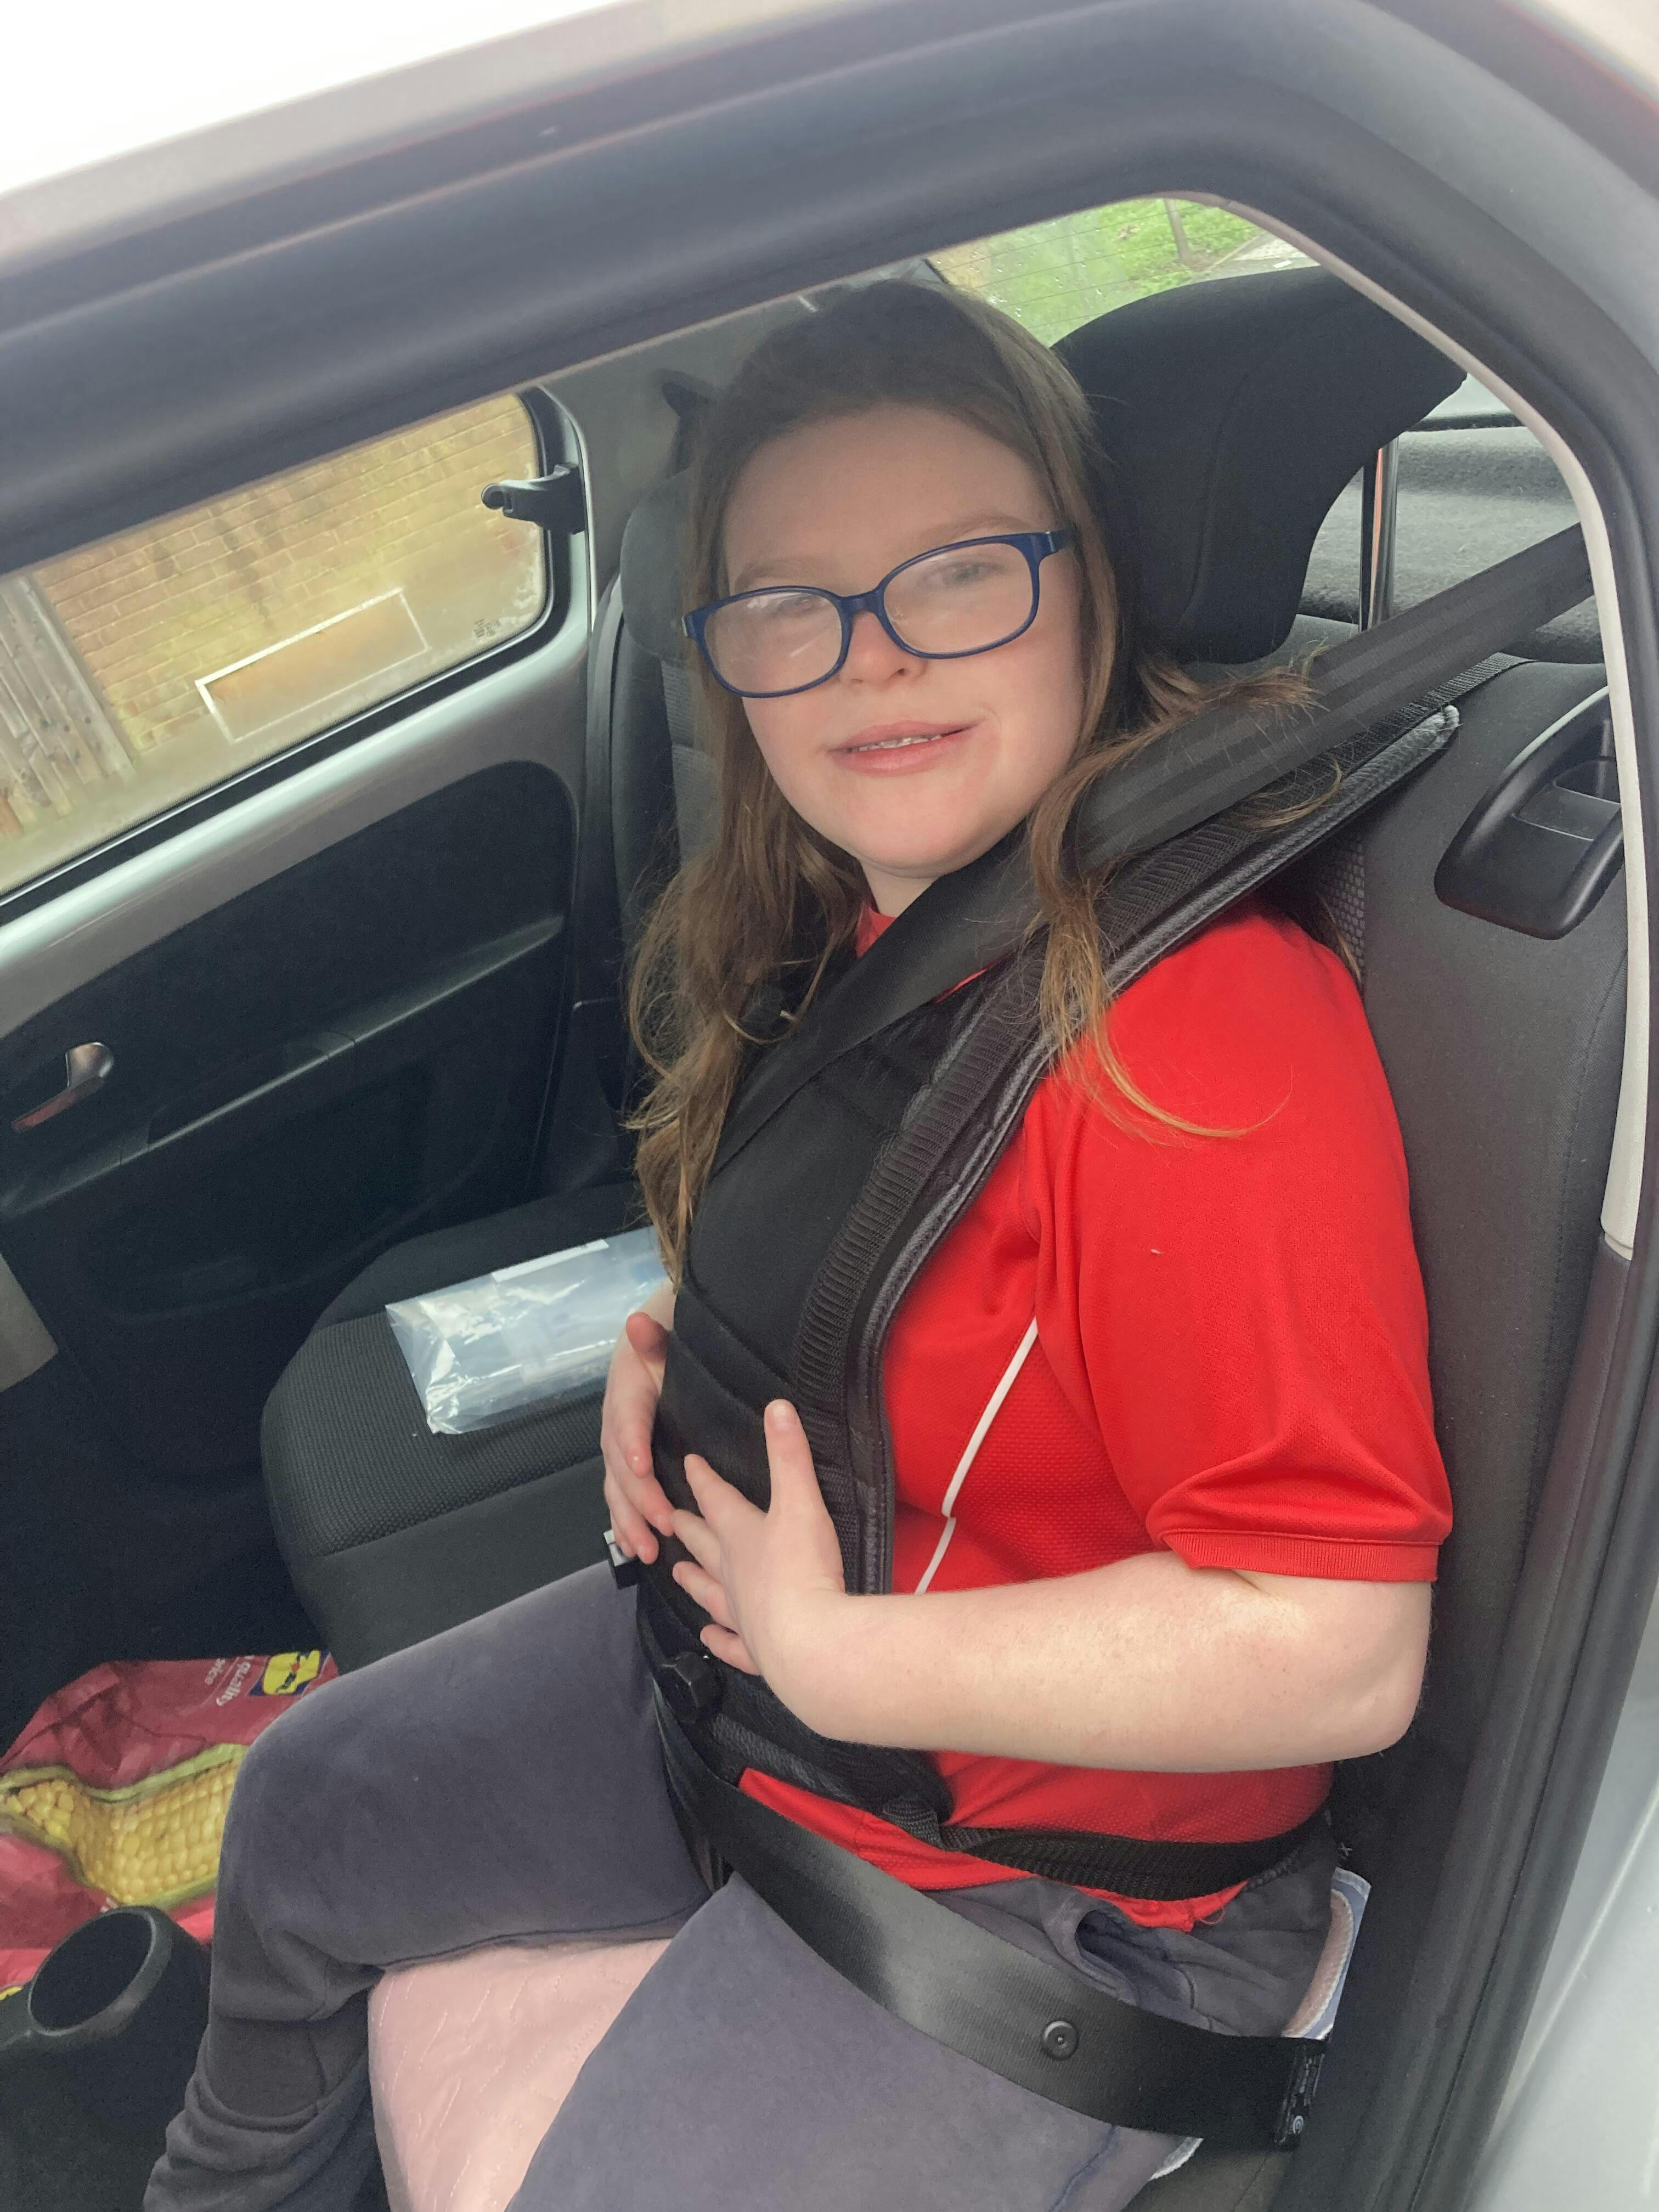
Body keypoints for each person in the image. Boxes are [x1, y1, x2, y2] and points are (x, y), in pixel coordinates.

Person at [146, 279, 1451, 2212]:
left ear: (1089, 590)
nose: (872, 654)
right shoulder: (887, 929)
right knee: (310, 1803)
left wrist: (847, 1657)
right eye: (788, 603)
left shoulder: (1194, 1041)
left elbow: (1335, 1651)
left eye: (961, 572)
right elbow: (913, 1267)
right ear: (727, 659)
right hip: (760, 1688)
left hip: (1056, 1892)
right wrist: (692, 1352)